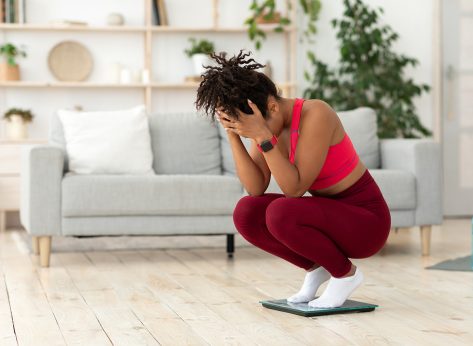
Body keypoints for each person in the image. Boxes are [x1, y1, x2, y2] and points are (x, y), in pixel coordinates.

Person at [195, 49, 391, 308]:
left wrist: (262, 136)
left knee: (281, 211)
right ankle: (318, 267)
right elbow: (254, 188)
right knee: (247, 211)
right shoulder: (265, 125)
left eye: (249, 128)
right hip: (332, 217)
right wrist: (233, 133)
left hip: (366, 224)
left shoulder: (316, 114)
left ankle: (345, 275)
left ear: (272, 106)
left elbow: (295, 190)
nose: (250, 134)